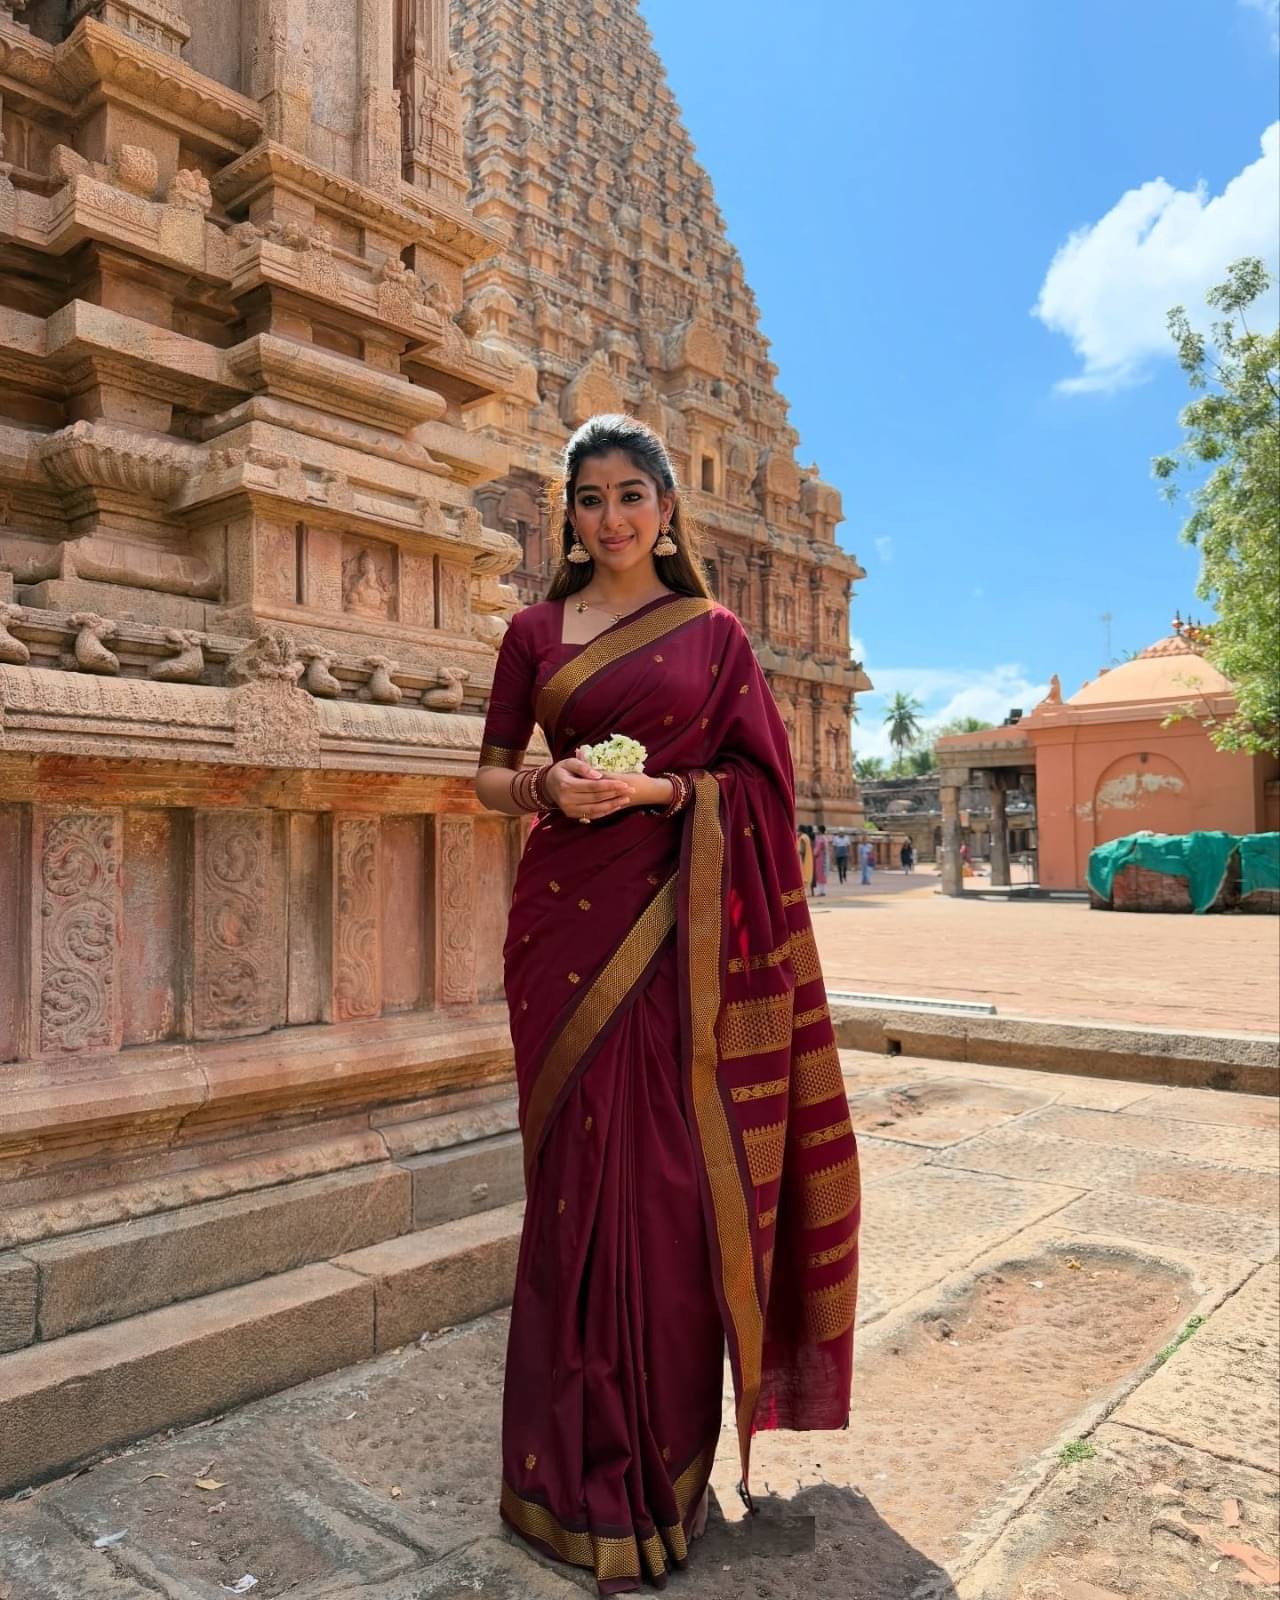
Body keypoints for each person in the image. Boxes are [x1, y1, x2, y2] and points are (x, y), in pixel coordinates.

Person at [474, 415, 860, 1595]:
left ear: (669, 506)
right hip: (563, 933)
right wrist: (550, 781)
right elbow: (489, 771)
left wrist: (660, 787)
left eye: (631, 495)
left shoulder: (716, 635)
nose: (610, 518)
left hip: (676, 941)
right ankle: (565, 1482)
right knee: (573, 1199)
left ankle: (660, 1477)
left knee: (670, 1195)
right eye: (587, 499)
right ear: (569, 514)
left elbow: (759, 786)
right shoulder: (532, 632)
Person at [796, 824, 814, 894]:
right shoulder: (806, 837)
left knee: (803, 875)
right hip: (806, 859)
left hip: (802, 859)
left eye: (798, 830)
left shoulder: (803, 838)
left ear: (800, 830)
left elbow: (802, 850)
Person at [813, 824, 829, 897]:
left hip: (819, 858)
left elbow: (817, 849)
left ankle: (821, 891)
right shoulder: (825, 838)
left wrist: (813, 853)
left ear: (820, 830)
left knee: (820, 875)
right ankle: (823, 890)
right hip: (824, 857)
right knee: (823, 874)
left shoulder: (820, 839)